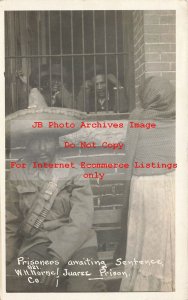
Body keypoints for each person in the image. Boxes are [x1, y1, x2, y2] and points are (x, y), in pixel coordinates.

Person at [6, 105, 106, 292]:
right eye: (36, 141)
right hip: (38, 244)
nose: (43, 147)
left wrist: (57, 259)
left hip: (78, 244)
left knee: (83, 289)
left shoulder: (74, 173)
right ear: (27, 144)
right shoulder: (17, 174)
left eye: (49, 140)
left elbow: (81, 222)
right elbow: (9, 222)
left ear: (57, 142)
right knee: (10, 283)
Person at [119, 76, 175, 291]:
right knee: (166, 237)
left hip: (146, 187)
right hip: (172, 185)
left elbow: (129, 156)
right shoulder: (177, 119)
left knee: (146, 238)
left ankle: (146, 286)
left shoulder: (138, 117)